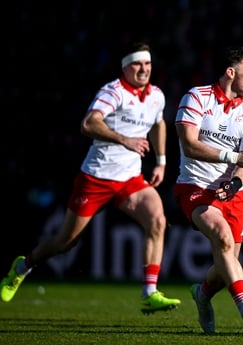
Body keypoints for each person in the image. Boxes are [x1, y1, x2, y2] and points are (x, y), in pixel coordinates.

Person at [0, 42, 181, 314]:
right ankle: (22, 266)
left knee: (157, 219)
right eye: (137, 64)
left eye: (147, 64)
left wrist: (162, 161)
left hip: (130, 178)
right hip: (97, 177)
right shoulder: (113, 92)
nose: (144, 69)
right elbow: (88, 123)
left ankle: (149, 292)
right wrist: (124, 140)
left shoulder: (156, 95)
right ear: (125, 67)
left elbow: (158, 123)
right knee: (65, 242)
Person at [174, 46, 243, 335]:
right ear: (231, 72)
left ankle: (202, 294)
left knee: (226, 260)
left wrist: (237, 181)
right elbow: (189, 144)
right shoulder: (196, 96)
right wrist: (233, 158)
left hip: (231, 193)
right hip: (195, 187)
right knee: (223, 240)